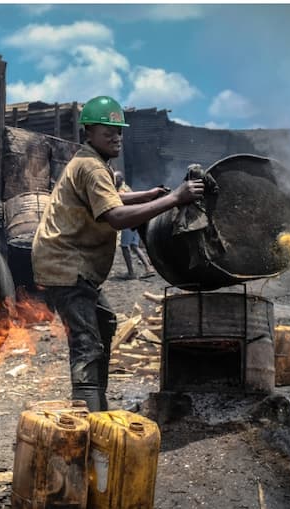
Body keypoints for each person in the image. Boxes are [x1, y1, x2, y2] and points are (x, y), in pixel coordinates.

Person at [31, 95, 204, 412]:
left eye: (119, 131)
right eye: (106, 130)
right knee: (86, 344)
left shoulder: (99, 166)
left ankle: (97, 403)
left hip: (72, 264)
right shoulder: (91, 168)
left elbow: (117, 199)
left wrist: (150, 195)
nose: (116, 137)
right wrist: (176, 198)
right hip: (65, 265)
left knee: (106, 322)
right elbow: (116, 217)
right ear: (88, 133)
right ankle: (87, 418)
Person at [113, 170, 155, 280]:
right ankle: (148, 268)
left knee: (124, 246)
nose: (113, 181)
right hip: (136, 219)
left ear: (119, 180)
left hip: (129, 219)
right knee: (134, 246)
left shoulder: (121, 190)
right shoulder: (126, 188)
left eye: (115, 179)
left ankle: (131, 272)